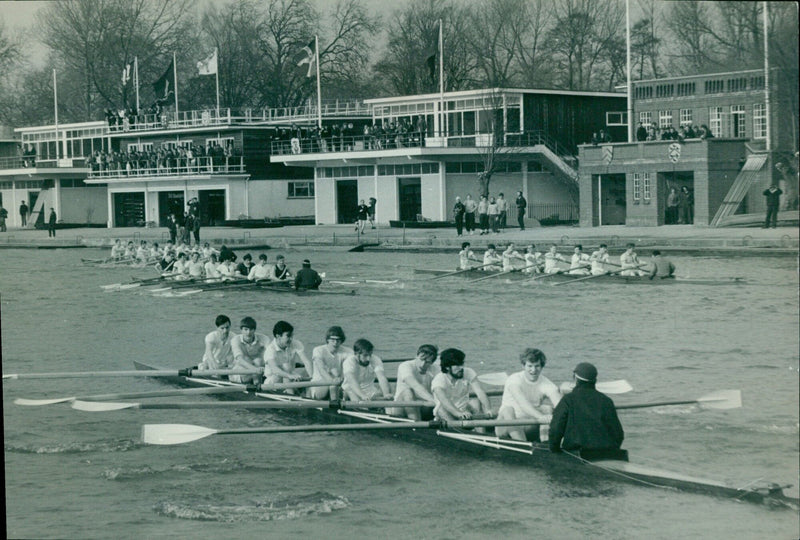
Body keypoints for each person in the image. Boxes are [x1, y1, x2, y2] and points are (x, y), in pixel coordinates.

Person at [549, 362, 625, 461]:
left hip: (578, 454)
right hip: (608, 453)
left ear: (575, 379)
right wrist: (613, 451)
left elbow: (556, 429)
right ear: (595, 380)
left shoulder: (568, 400)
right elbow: (618, 434)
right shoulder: (607, 401)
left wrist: (555, 451)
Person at [495, 348, 562, 441]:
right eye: (530, 366)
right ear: (523, 366)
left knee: (547, 408)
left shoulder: (547, 384)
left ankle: (546, 444)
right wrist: (542, 417)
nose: (533, 370)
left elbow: (560, 405)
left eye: (537, 366)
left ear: (542, 366)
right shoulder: (514, 379)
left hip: (529, 425)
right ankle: (523, 445)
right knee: (507, 410)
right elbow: (523, 404)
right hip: (506, 426)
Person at [431, 348, 492, 421]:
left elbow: (480, 392)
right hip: (447, 413)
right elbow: (444, 401)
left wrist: (488, 410)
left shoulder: (468, 372)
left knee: (475, 402)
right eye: (457, 365)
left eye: (462, 364)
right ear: (447, 367)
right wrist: (458, 413)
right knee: (441, 410)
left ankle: (480, 430)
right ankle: (457, 430)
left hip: (465, 410)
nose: (461, 368)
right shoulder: (439, 380)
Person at [387, 344, 439, 420]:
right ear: (416, 356)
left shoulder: (436, 368)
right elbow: (415, 385)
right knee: (408, 392)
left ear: (432, 362)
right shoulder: (405, 366)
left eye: (427, 362)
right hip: (401, 407)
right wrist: (434, 401)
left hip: (424, 406)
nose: (422, 364)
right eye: (421, 360)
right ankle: (416, 425)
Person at [263, 320, 313, 388]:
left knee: (313, 369)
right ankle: (292, 393)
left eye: (292, 336)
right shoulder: (270, 349)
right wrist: (290, 376)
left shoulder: (296, 343)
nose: (291, 339)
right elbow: (275, 369)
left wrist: (313, 378)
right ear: (278, 336)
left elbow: (306, 362)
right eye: (288, 336)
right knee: (286, 369)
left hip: (290, 377)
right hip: (273, 381)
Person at [309, 326, 353, 400]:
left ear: (341, 340)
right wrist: (333, 382)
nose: (335, 343)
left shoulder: (348, 352)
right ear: (327, 340)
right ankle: (334, 409)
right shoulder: (318, 350)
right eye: (332, 340)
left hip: (340, 383)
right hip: (319, 385)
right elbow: (321, 370)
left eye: (338, 340)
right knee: (333, 386)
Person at [229, 316, 271, 384]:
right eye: (245, 329)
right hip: (240, 371)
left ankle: (257, 383)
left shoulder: (264, 339)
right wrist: (255, 370)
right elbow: (240, 360)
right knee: (247, 359)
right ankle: (257, 384)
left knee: (258, 361)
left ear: (254, 330)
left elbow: (271, 355)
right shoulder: (235, 340)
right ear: (241, 330)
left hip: (258, 368)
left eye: (251, 329)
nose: (248, 333)